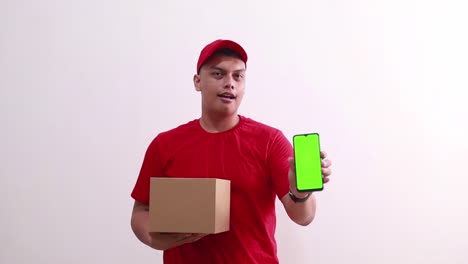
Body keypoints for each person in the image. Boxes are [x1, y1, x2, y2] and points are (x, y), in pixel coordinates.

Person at [130, 39, 332, 263]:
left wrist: (300, 192)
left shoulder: (270, 141)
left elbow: (304, 217)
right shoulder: (165, 144)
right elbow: (141, 210)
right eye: (218, 74)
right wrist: (153, 238)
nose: (230, 83)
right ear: (198, 82)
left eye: (238, 76)